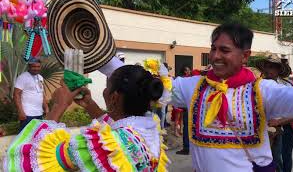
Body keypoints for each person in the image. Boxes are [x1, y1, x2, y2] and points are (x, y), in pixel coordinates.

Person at [99, 23, 293, 172]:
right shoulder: (193, 87)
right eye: (213, 49)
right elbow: (140, 83)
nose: (215, 56)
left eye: (224, 50)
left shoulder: (264, 91)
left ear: (245, 56)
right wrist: (101, 56)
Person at [5, 65, 170, 171]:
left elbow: (30, 160)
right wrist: (90, 106)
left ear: (114, 98)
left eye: (107, 86)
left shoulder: (102, 147)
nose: (104, 91)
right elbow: (118, 127)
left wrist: (59, 105)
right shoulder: (150, 130)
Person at [256, 54, 293, 172]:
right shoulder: (256, 85)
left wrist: (278, 122)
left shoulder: (286, 86)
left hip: (281, 129)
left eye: (272, 67)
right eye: (267, 66)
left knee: (279, 159)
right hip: (259, 129)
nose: (268, 69)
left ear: (279, 69)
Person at [13, 58, 49, 132]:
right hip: (27, 113)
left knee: (37, 135)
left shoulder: (40, 77)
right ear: (29, 67)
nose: (36, 69)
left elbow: (41, 93)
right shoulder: (22, 77)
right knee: (25, 136)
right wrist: (20, 111)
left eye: (38, 66)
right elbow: (16, 94)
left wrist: (46, 107)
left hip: (39, 113)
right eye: (34, 66)